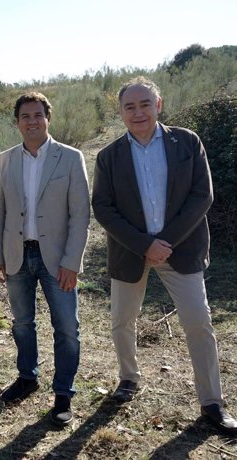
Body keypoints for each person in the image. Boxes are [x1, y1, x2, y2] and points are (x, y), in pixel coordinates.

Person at [91, 76, 237, 434]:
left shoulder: (187, 142)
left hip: (180, 249)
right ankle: (128, 377)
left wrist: (165, 242)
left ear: (158, 105)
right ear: (122, 112)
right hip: (130, 253)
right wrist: (144, 244)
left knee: (198, 323)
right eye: (129, 106)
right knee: (122, 321)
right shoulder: (109, 156)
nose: (137, 112)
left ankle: (212, 403)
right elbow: (104, 208)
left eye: (144, 104)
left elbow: (202, 196)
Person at [0, 92, 90, 426]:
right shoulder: (6, 159)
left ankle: (63, 394)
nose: (31, 121)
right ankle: (27, 378)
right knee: (22, 323)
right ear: (17, 122)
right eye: (24, 116)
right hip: (17, 254)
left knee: (67, 328)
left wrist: (72, 262)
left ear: (49, 118)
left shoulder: (70, 158)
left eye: (37, 115)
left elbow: (80, 215)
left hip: (57, 259)